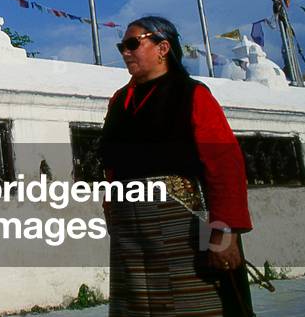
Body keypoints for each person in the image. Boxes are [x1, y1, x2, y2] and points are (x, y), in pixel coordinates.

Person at [101, 16, 253, 316]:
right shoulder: (119, 101)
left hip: (182, 220)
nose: (125, 52)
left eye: (133, 44)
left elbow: (224, 164)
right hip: (129, 228)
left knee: (194, 305)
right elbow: (112, 162)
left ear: (163, 48)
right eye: (122, 46)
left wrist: (225, 231)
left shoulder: (192, 94)